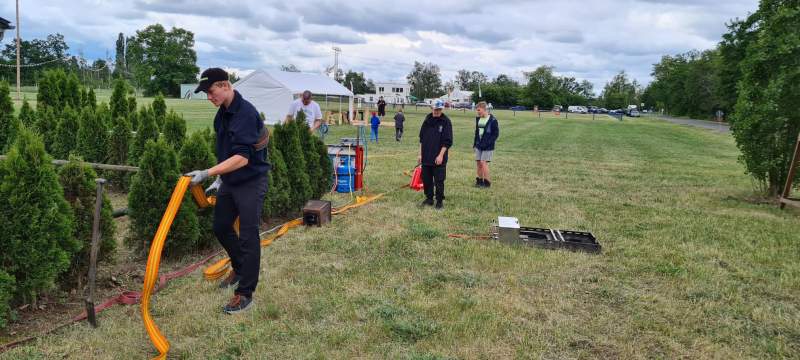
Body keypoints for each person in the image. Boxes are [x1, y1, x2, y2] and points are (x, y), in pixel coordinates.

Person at [186, 68, 270, 314]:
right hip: (231, 180)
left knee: (248, 235)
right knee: (221, 227)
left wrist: (207, 173)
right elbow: (227, 151)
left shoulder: (245, 113)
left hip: (251, 180)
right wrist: (222, 177)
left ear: (225, 85)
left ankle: (245, 293)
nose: (209, 97)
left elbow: (242, 158)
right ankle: (241, 267)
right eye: (207, 94)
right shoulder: (221, 115)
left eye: (211, 92)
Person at [418, 99, 453, 209]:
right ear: (431, 108)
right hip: (426, 155)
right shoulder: (427, 120)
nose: (437, 111)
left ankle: (439, 201)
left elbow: (447, 141)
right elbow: (421, 139)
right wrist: (420, 154)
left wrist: (441, 155)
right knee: (426, 179)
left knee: (439, 180)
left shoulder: (445, 121)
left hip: (439, 157)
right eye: (436, 109)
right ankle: (429, 198)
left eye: (439, 109)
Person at [473, 101, 499, 188]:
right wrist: (474, 144)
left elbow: (495, 134)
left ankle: (487, 183)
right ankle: (479, 181)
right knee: (478, 163)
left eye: (479, 110)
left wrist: (488, 143)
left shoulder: (493, 120)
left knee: (483, 163)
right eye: (477, 110)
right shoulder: (478, 119)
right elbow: (477, 133)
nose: (478, 112)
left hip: (487, 146)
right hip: (478, 145)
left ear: (484, 109)